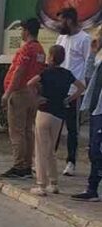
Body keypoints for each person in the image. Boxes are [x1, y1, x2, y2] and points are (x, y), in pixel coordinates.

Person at [28, 45, 84, 195]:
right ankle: (53, 183)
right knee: (51, 150)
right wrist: (69, 99)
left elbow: (30, 83)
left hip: (44, 111)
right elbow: (81, 87)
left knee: (40, 150)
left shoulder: (46, 72)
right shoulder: (67, 74)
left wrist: (37, 97)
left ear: (51, 57)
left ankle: (41, 185)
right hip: (59, 114)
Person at [1, 18, 46, 179]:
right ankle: (27, 164)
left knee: (17, 131)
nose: (21, 33)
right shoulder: (40, 50)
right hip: (32, 93)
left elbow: (19, 71)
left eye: (22, 30)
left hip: (20, 92)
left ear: (26, 31)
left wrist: (8, 93)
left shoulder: (27, 49)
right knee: (27, 130)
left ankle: (19, 165)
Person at [55, 7, 92, 176]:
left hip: (74, 91)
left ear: (69, 20)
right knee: (54, 125)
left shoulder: (84, 39)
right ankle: (48, 157)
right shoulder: (61, 37)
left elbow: (88, 65)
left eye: (61, 21)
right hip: (58, 89)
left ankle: (71, 162)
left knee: (72, 129)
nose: (59, 24)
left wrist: (84, 90)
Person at [71, 27, 102, 201]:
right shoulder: (99, 60)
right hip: (96, 109)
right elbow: (88, 76)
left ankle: (93, 187)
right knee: (94, 150)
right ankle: (92, 189)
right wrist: (92, 53)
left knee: (97, 150)